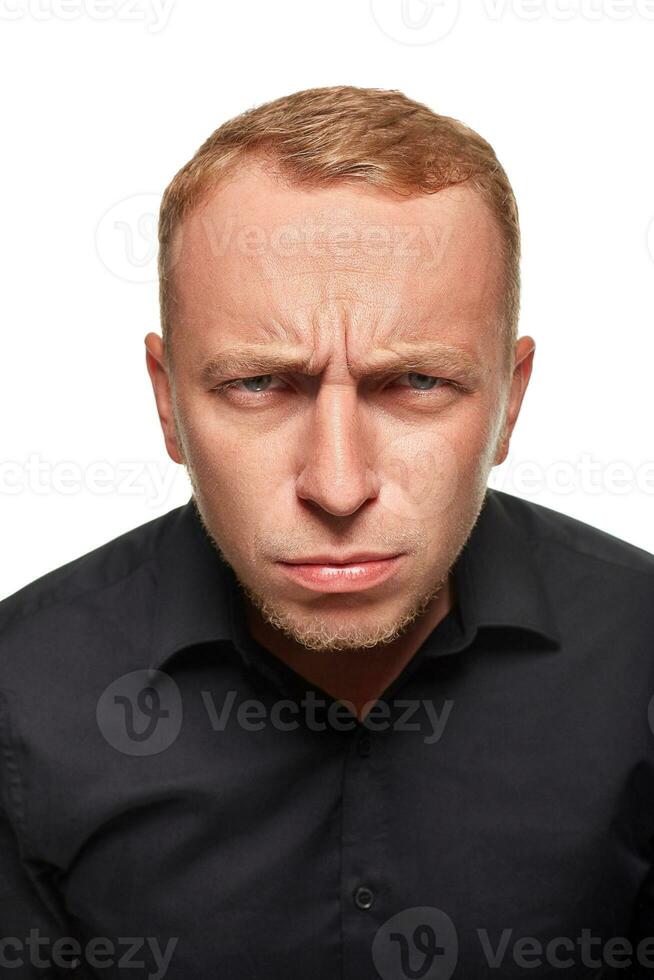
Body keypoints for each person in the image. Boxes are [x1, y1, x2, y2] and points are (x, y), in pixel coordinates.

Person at [1, 85, 653, 979]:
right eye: (261, 386)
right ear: (165, 401)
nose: (338, 486)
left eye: (418, 381)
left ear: (511, 403)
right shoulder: (17, 699)